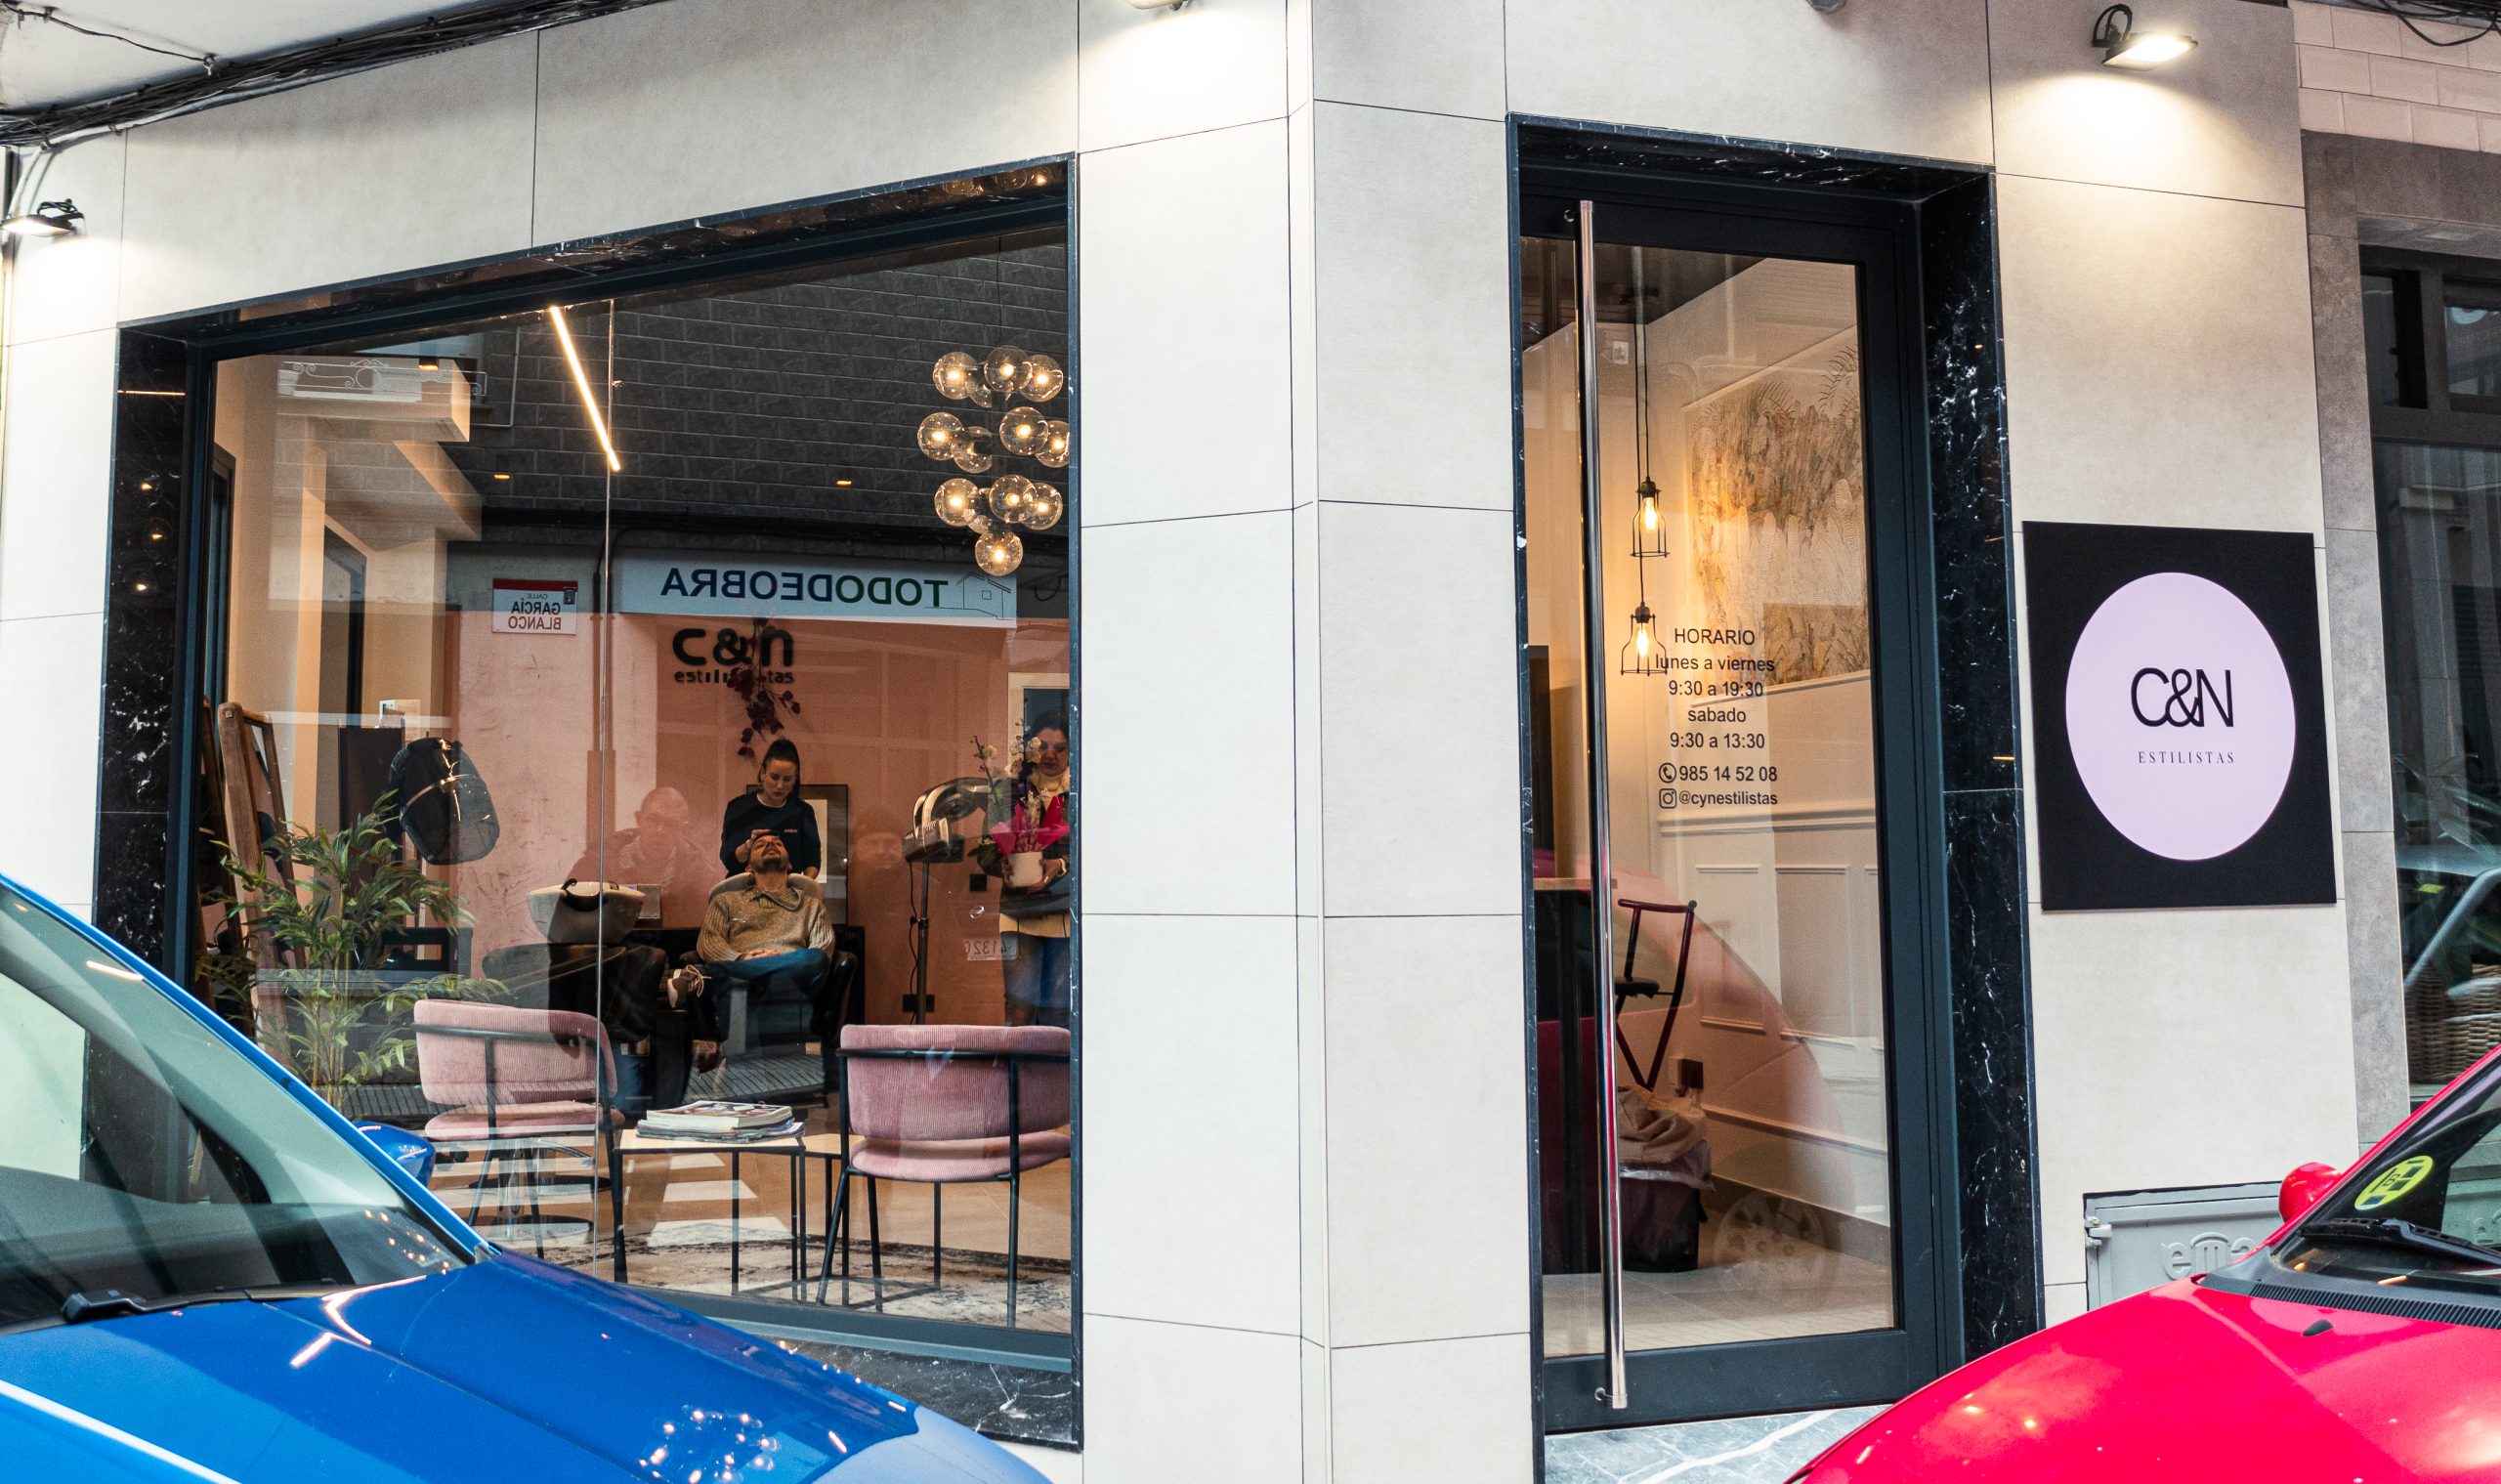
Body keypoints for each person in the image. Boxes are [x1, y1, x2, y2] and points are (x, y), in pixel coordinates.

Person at [671, 832, 854, 1091]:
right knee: (739, 985)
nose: (770, 845)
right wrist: (742, 959)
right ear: (748, 867)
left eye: (778, 843)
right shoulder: (726, 901)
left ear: (790, 865)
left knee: (812, 958)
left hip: (793, 984)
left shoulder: (811, 905)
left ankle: (707, 975)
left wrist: (779, 960)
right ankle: (747, 1087)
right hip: (740, 983)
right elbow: (708, 942)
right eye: (760, 844)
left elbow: (822, 948)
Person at [974, 717, 1072, 1028]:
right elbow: (987, 849)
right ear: (1030, 750)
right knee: (1019, 1010)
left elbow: (1097, 852)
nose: (1050, 754)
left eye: (1060, 748)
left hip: (1064, 914)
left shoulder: (1082, 792)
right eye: (1043, 746)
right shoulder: (1008, 789)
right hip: (1017, 914)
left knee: (1059, 1013)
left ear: (1072, 752)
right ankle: (1017, 1063)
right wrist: (1003, 866)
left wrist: (1062, 864)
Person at [569, 785, 721, 929]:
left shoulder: (702, 875)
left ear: (683, 828)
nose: (660, 830)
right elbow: (567, 920)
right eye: (653, 819)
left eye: (671, 823)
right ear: (639, 819)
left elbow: (716, 929)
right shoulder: (597, 865)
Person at [720, 737, 822, 879]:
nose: (780, 785)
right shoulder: (738, 808)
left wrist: (802, 888)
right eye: (774, 777)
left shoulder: (803, 812)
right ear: (763, 773)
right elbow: (728, 858)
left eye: (787, 779)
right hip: (744, 889)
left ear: (795, 779)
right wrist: (749, 846)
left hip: (788, 889)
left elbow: (812, 860)